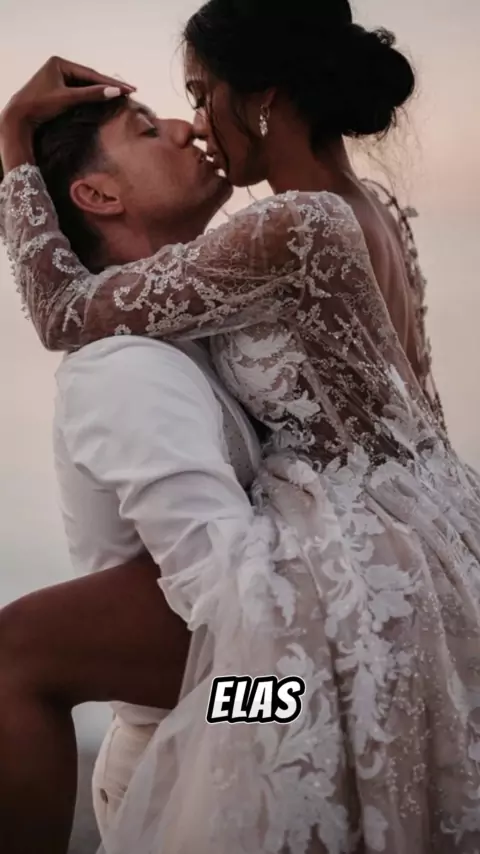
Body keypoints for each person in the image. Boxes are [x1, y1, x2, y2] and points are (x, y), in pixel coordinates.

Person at [2, 3, 480, 852]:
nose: (195, 124)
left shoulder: (289, 227)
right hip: (434, 537)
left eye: (199, 94)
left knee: (22, 653)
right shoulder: (372, 210)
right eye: (170, 113)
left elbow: (63, 311)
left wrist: (11, 142)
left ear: (260, 99)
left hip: (352, 558)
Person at [0, 64, 265, 854]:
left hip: (222, 722)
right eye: (148, 130)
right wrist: (324, 705)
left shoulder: (194, 337)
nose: (185, 128)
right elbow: (227, 600)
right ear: (99, 196)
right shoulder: (125, 368)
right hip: (197, 753)